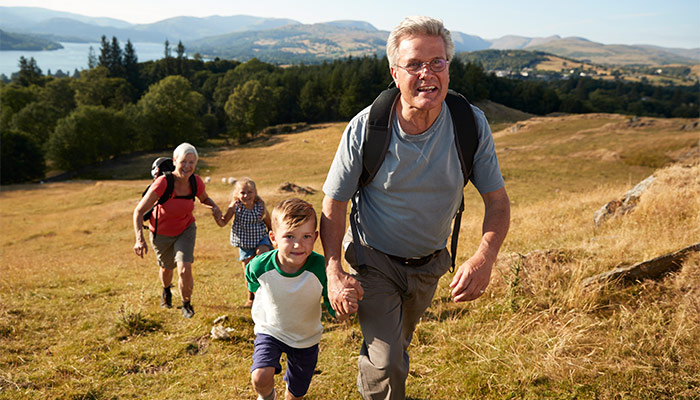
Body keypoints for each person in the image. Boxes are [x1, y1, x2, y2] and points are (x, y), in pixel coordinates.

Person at [320, 16, 511, 399]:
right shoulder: (366, 129)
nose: (427, 74)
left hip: (430, 265)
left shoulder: (469, 125)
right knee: (389, 360)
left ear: (449, 68)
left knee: (395, 346)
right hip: (373, 260)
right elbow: (334, 203)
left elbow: (497, 202)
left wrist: (485, 258)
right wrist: (334, 270)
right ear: (395, 73)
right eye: (415, 65)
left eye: (437, 62)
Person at [246, 198, 353, 400]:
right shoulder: (260, 266)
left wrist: (342, 311)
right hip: (271, 330)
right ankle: (267, 396)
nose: (298, 244)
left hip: (306, 338)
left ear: (315, 237)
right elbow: (252, 281)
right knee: (260, 377)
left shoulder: (321, 269)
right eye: (289, 236)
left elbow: (333, 306)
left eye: (306, 236)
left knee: (295, 395)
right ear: (273, 238)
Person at [133, 142, 222, 318]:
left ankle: (186, 304)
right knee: (167, 268)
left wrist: (215, 208)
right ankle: (166, 290)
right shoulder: (163, 183)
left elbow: (204, 199)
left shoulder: (196, 182)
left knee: (184, 268)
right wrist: (139, 238)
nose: (187, 166)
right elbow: (139, 211)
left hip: (185, 229)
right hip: (161, 233)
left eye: (192, 162)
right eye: (183, 162)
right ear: (175, 161)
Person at [217, 178, 273, 307]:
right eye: (243, 193)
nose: (246, 195)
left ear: (255, 192)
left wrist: (274, 238)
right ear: (237, 194)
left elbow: (269, 223)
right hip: (244, 243)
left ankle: (268, 292)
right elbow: (223, 222)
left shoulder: (260, 206)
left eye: (250, 192)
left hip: (261, 239)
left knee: (262, 258)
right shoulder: (235, 207)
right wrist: (217, 214)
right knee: (249, 270)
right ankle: (251, 297)